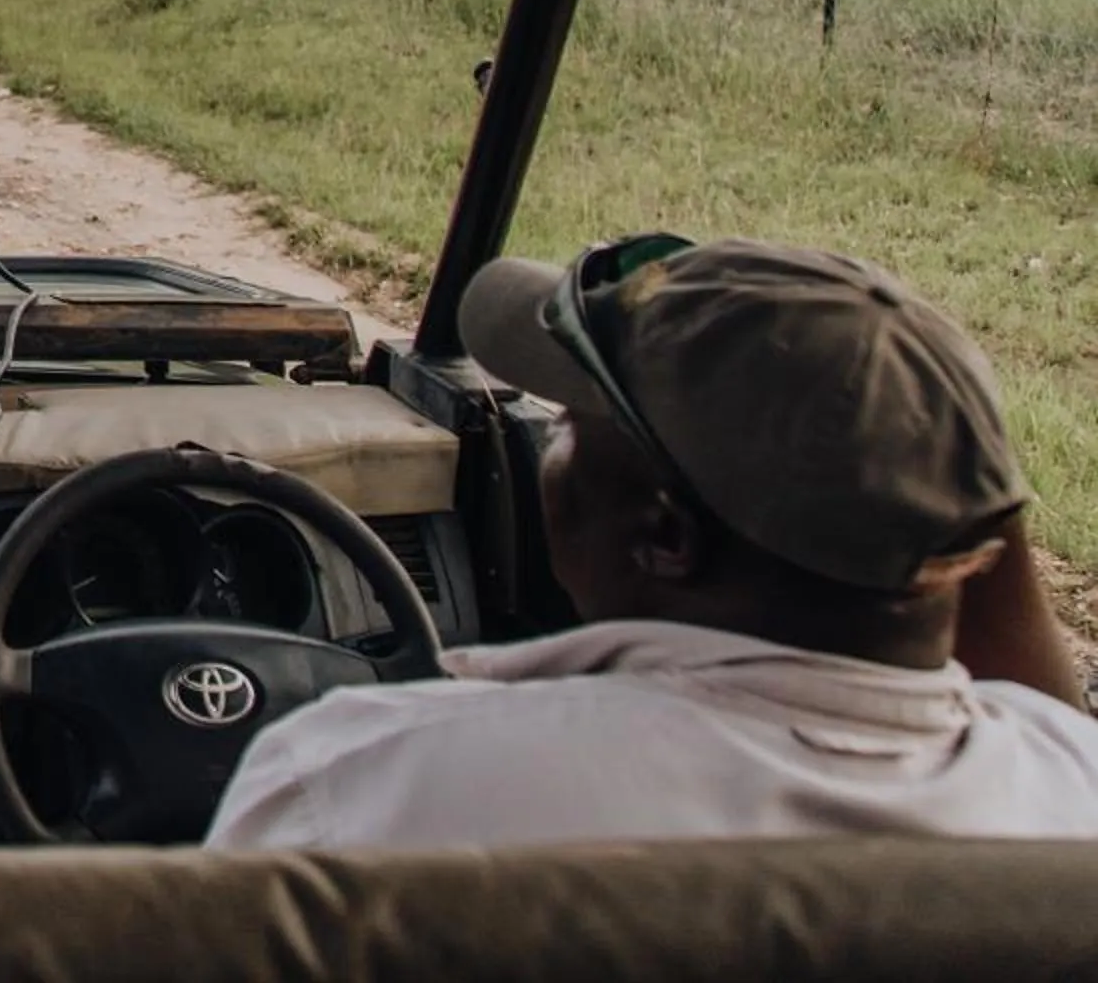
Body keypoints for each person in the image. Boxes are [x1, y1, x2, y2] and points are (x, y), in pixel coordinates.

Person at [206, 235, 1098, 848]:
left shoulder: (365, 784)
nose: (548, 447)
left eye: (566, 426)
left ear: (665, 537)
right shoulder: (1067, 795)